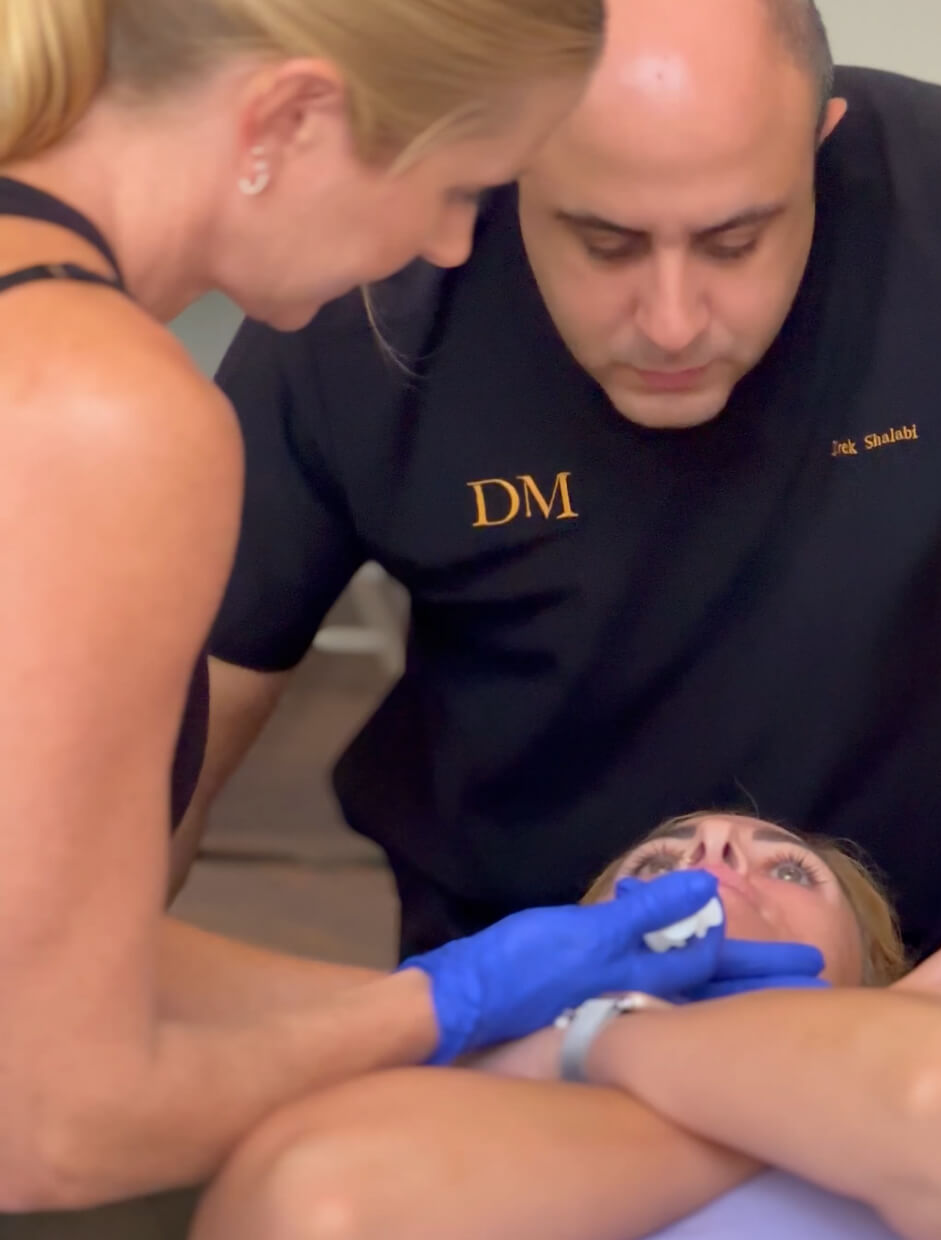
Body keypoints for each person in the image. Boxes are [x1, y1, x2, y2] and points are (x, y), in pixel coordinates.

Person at [1, 0, 824, 1214]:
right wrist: (451, 1015)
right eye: (460, 185)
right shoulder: (102, 410)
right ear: (288, 118)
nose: (449, 248)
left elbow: (36, 962)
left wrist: (461, 993)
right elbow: (49, 1121)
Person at [186, 0, 941, 965]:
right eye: (605, 243)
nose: (671, 321)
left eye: (734, 243)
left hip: (938, 951)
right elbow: (164, 750)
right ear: (510, 159)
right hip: (514, 964)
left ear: (819, 144)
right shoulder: (369, 300)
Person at [189, 812, 941, 1240]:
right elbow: (320, 1208)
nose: (713, 847)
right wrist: (592, 1038)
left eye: (789, 869)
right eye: (652, 866)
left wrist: (600, 1036)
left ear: (876, 973)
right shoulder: (471, 1091)